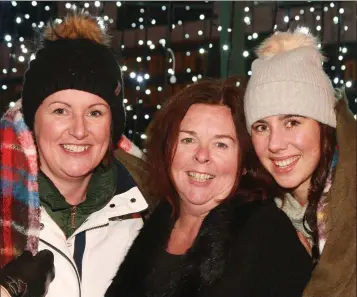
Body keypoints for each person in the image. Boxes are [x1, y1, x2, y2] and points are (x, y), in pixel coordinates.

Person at [105, 79, 312, 297]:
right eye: (188, 140)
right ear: (167, 150)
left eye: (220, 144)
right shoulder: (157, 218)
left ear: (244, 163)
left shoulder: (267, 232)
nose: (202, 155)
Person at [0, 12, 154, 297]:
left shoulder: (145, 211)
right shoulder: (7, 209)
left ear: (113, 126)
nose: (79, 130)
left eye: (95, 112)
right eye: (61, 110)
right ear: (33, 120)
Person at [244, 27, 356, 297]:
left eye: (292, 122)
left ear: (324, 126)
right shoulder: (260, 213)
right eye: (261, 127)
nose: (275, 144)